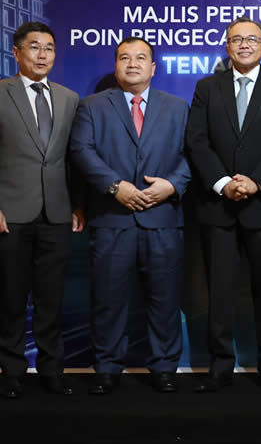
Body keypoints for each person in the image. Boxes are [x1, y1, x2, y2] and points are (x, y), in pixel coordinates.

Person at [186, 17, 261, 393]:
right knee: (219, 292)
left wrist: (256, 181)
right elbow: (197, 141)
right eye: (237, 39)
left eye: (253, 39)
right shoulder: (207, 87)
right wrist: (223, 183)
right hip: (219, 206)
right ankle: (219, 367)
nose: (245, 45)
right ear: (227, 47)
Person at [70, 37, 190, 395]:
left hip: (163, 217)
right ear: (115, 65)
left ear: (153, 68)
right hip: (111, 218)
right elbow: (81, 150)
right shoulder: (92, 106)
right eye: (125, 57)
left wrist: (172, 185)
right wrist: (114, 186)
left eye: (141, 58)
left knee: (165, 300)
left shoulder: (178, 107)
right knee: (108, 300)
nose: (132, 63)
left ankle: (164, 368)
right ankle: (107, 368)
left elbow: (193, 154)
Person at [0, 22, 81, 399]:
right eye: (34, 47)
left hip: (57, 213)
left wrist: (78, 204)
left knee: (51, 299)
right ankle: (12, 372)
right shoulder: (2, 92)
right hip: (10, 214)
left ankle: (52, 371)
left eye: (49, 47)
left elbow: (74, 157)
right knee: (10, 298)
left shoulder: (69, 98)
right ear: (16, 53)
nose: (43, 54)